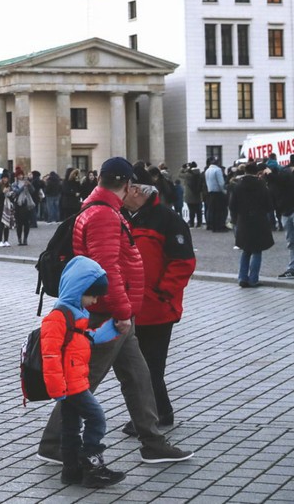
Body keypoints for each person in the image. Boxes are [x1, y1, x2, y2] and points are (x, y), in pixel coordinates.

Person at [37, 156, 193, 465]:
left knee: (138, 376)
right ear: (126, 184)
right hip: (110, 312)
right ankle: (54, 442)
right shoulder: (106, 215)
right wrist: (123, 311)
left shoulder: (97, 209)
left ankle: (152, 440)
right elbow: (107, 267)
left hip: (117, 311)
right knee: (85, 379)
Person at [121, 163, 196, 433]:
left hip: (157, 308)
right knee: (142, 367)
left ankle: (149, 417)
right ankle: (161, 412)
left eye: (126, 190)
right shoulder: (126, 217)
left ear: (139, 191)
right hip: (133, 307)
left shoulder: (167, 219)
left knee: (148, 367)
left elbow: (183, 262)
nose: (122, 195)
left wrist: (162, 293)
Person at [42, 256, 125, 487]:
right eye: (93, 295)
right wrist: (57, 388)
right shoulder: (58, 317)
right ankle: (93, 466)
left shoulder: (76, 316)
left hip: (74, 382)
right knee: (96, 418)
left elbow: (87, 340)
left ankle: (71, 470)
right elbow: (49, 355)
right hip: (71, 385)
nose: (95, 300)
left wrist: (111, 328)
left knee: (71, 426)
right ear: (78, 289)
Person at [229, 161, 274, 287]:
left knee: (246, 250)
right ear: (256, 172)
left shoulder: (238, 185)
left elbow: (232, 206)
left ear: (245, 171)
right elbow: (269, 205)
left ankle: (242, 278)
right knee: (257, 251)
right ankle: (253, 279)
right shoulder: (261, 185)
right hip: (259, 221)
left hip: (243, 221)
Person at [10, 167, 37, 246]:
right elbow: (16, 192)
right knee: (19, 224)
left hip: (27, 205)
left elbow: (33, 191)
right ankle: (19, 239)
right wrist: (23, 187)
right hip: (18, 205)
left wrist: (30, 185)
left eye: (21, 175)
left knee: (26, 223)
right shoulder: (14, 184)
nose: (21, 176)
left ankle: (25, 239)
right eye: (19, 175)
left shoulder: (27, 182)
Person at [204, 157, 227, 232]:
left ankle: (212, 226)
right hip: (218, 193)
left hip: (210, 192)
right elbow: (221, 183)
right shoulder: (218, 170)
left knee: (212, 210)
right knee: (219, 211)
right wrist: (224, 191)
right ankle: (219, 226)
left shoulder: (207, 170)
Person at [0, 175, 13, 247]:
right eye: (4, 178)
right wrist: (3, 192)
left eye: (6, 178)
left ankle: (6, 240)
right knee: (1, 224)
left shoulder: (9, 186)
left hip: (7, 207)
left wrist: (10, 194)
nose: (5, 180)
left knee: (7, 224)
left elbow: (12, 197)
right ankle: (0, 241)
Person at [182, 162, 202, 227]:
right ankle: (199, 223)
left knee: (191, 211)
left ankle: (192, 224)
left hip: (189, 196)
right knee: (198, 210)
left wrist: (184, 167)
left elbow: (180, 174)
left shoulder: (187, 174)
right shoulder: (199, 173)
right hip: (198, 195)